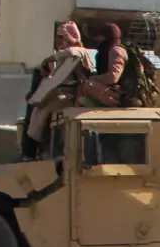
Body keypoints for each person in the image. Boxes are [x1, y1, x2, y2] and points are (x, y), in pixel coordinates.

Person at [24, 21, 95, 158]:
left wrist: (48, 60)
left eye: (61, 37)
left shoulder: (79, 51)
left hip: (74, 95)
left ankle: (42, 149)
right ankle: (35, 149)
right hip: (63, 92)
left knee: (46, 111)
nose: (57, 41)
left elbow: (70, 52)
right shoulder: (64, 59)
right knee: (38, 111)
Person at [81, 22, 128, 107]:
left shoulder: (116, 50)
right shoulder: (107, 50)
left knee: (89, 84)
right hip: (111, 89)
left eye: (99, 36)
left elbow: (113, 77)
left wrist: (93, 78)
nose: (97, 39)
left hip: (120, 92)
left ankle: (116, 103)